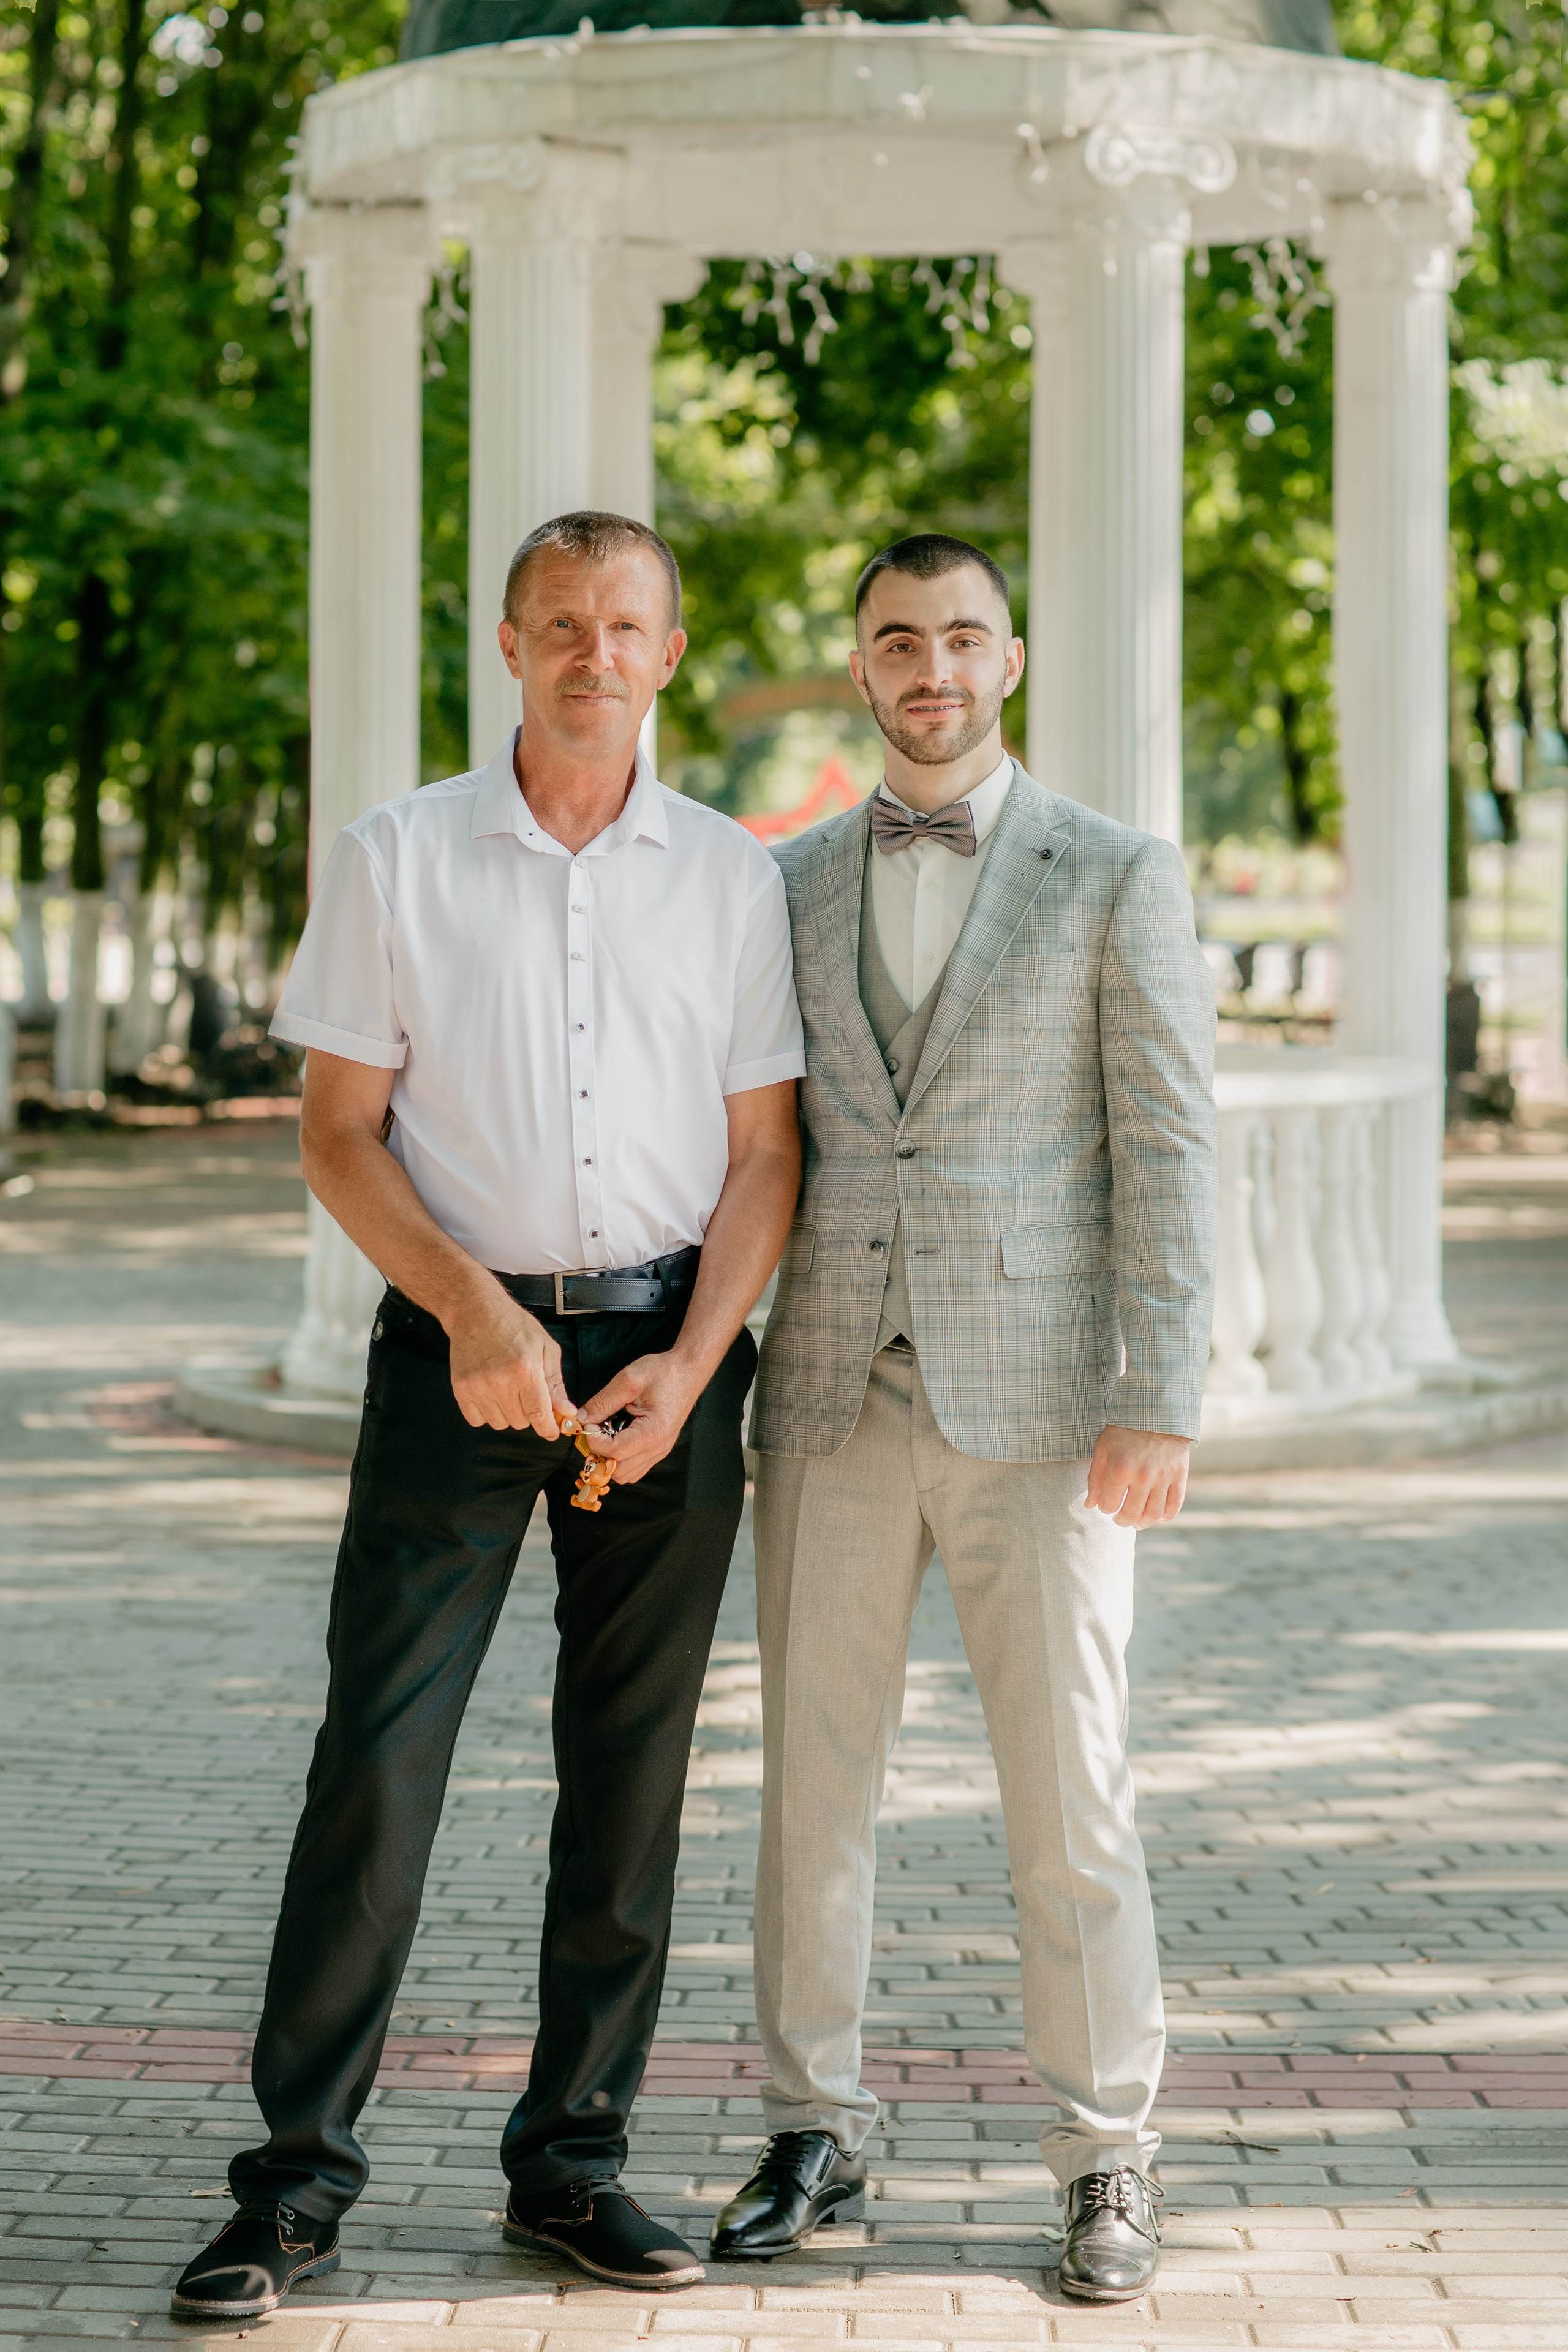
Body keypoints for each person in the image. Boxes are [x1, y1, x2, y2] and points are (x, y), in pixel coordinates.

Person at [171, 512, 804, 2320]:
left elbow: (767, 1158)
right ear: (511, 647)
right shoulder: (397, 859)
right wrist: (467, 1310)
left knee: (629, 1788)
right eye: (562, 624)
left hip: (668, 1367)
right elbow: (333, 1133)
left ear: (668, 656)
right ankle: (290, 2193)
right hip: (454, 1356)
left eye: (627, 625)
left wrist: (694, 1365)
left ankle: (573, 2169)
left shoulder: (732, 879)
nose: (595, 652)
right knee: (378, 1765)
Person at [710, 534, 1218, 2303]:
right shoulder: (781, 884)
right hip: (833, 1389)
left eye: (962, 638)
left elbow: (1169, 1147)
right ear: (859, 666)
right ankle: (810, 2124)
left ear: (1012, 659)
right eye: (896, 639)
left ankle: (1105, 2153)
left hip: (1049, 1412)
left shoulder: (1114, 871)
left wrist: (1163, 1392)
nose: (930, 666)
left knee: (1069, 1792)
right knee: (811, 1791)